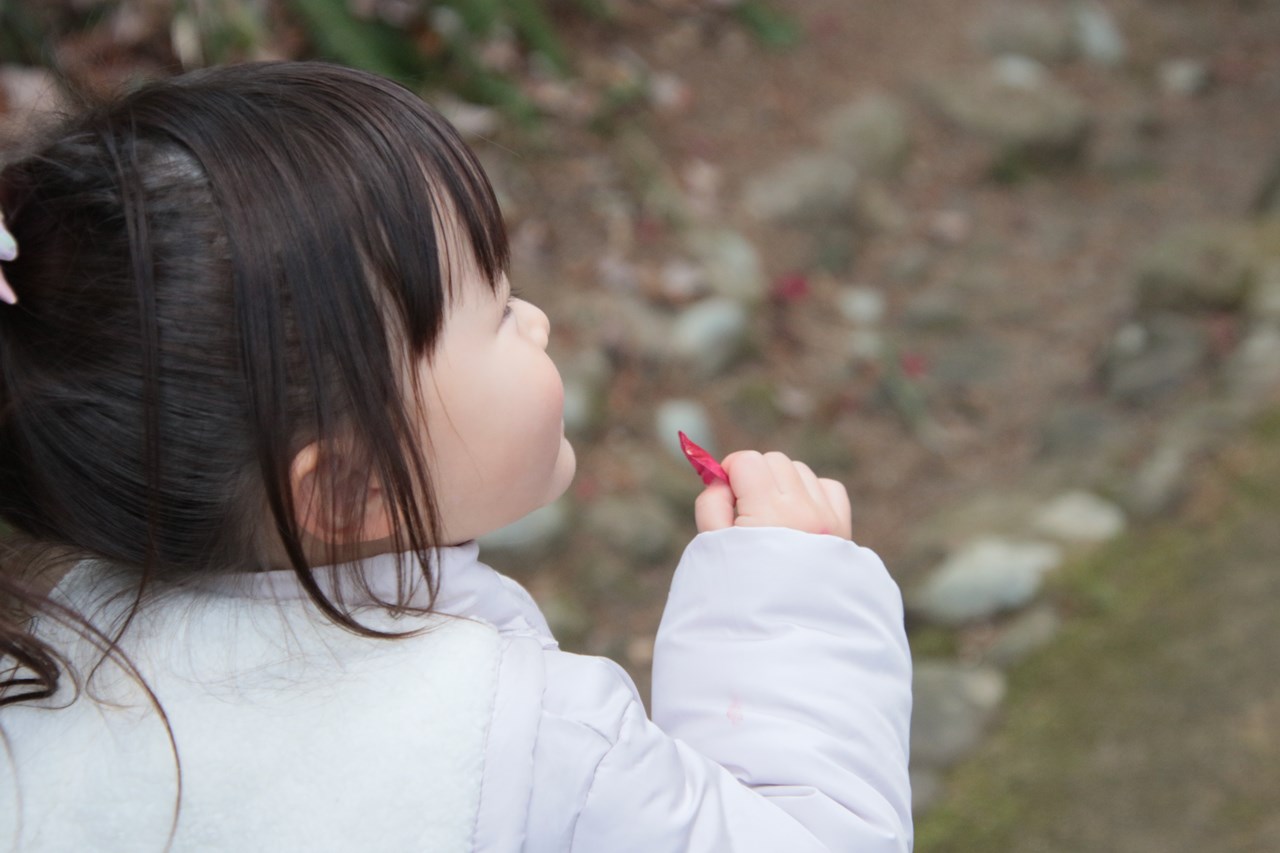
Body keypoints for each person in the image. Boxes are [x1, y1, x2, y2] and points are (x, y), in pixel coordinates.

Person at [0, 62, 912, 851]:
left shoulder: (37, 699)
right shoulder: (536, 754)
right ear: (350, 489)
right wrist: (783, 606)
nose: (540, 321)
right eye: (499, 310)